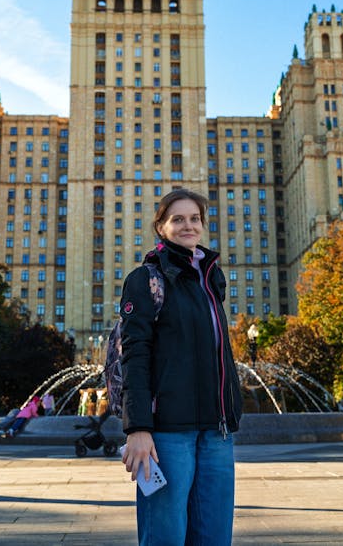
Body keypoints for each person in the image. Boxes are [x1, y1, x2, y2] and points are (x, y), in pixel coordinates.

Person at [118, 188, 242, 545]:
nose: (189, 225)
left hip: (217, 432)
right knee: (166, 535)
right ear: (161, 226)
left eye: (195, 218)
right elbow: (135, 355)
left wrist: (232, 409)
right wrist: (138, 428)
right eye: (178, 219)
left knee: (215, 536)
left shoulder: (211, 278)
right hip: (168, 435)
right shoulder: (145, 280)